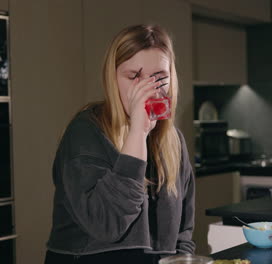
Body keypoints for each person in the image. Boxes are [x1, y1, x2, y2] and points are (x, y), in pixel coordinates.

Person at [44, 24, 195, 264]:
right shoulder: (85, 131)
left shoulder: (173, 140)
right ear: (112, 78)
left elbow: (182, 232)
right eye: (134, 76)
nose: (148, 89)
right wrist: (137, 133)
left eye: (159, 77)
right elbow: (107, 224)